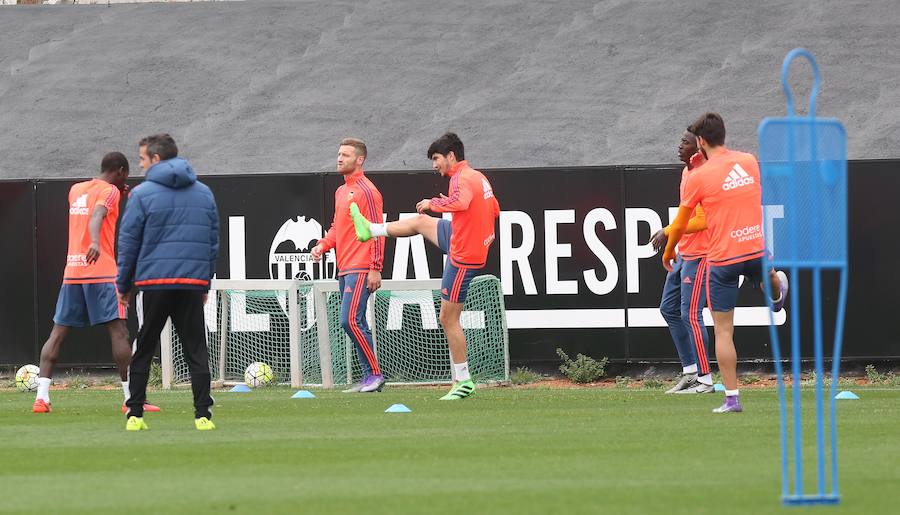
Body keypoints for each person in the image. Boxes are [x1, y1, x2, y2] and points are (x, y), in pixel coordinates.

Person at [350, 132, 500, 400]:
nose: (434, 165)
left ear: (451, 156)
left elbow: (462, 202)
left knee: (447, 318)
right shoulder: (477, 176)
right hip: (461, 236)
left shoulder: (462, 178)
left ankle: (463, 381)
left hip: (463, 255)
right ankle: (370, 229)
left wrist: (435, 203)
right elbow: (494, 209)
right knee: (420, 222)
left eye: (436, 158)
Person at [662, 113, 788, 413]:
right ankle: (777, 288)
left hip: (723, 259)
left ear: (701, 142)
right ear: (724, 135)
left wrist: (669, 250)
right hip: (755, 249)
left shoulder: (698, 177)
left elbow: (680, 223)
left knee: (724, 331)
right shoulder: (748, 161)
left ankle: (732, 398)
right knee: (769, 272)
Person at [33, 152, 160, 415]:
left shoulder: (75, 190)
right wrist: (94, 242)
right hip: (102, 272)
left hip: (73, 272)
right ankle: (130, 399)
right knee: (119, 333)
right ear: (122, 171)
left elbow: (91, 209)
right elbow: (97, 216)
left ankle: (41, 398)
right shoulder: (110, 192)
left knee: (57, 334)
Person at [116, 133, 219, 431]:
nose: (140, 164)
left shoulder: (142, 194)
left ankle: (134, 414)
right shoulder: (204, 192)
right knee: (196, 350)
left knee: (144, 347)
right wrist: (205, 284)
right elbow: (212, 243)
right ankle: (203, 416)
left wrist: (124, 285)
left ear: (156, 159)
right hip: (190, 284)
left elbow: (129, 242)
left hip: (154, 283)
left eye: (142, 159)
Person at [311, 138, 386, 393]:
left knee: (350, 321)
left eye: (345, 154)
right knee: (356, 322)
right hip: (344, 268)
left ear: (360, 160)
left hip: (362, 267)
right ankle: (369, 378)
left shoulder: (367, 191)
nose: (339, 158)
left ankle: (374, 374)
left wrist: (376, 267)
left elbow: (376, 230)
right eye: (339, 153)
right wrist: (323, 245)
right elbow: (336, 227)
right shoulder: (341, 191)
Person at [650, 131, 714, 394]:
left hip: (701, 255)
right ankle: (690, 372)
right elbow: (686, 215)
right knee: (668, 309)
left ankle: (706, 379)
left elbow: (703, 220)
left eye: (685, 142)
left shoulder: (705, 173)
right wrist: (673, 245)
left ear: (698, 146)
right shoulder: (687, 172)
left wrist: (667, 231)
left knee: (691, 314)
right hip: (685, 253)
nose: (679, 146)